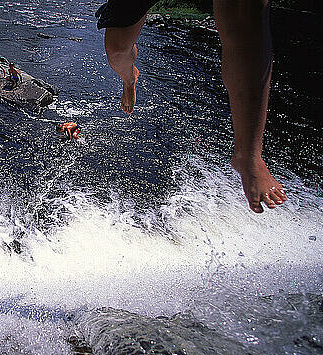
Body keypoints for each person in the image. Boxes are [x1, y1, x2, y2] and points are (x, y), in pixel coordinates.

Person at [96, 0, 287, 213]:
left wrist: (251, 154)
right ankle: (129, 78)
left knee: (245, 11)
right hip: (123, 55)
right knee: (117, 50)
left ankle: (248, 155)